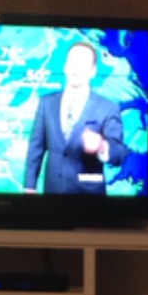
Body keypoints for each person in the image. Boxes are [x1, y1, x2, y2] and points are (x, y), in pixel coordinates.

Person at [23, 40, 130, 194]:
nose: (75, 66)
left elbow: (118, 154)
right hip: (52, 199)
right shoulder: (46, 103)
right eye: (72, 60)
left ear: (93, 71)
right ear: (65, 66)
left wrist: (102, 146)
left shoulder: (108, 108)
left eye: (82, 62)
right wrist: (29, 187)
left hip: (90, 203)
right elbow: (36, 148)